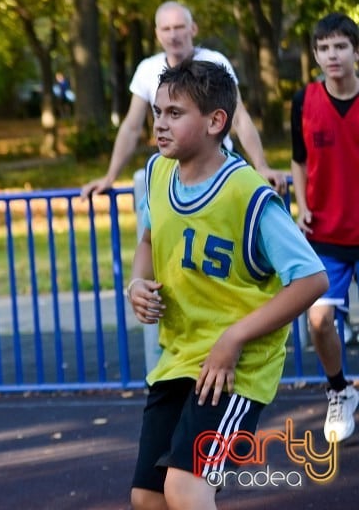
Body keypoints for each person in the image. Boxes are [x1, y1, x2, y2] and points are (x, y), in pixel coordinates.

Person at [126, 59, 327, 509]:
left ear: (217, 121)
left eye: (175, 113)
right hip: (180, 357)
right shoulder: (159, 173)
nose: (159, 124)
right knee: (147, 497)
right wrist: (138, 283)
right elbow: (149, 236)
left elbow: (312, 278)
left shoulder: (247, 193)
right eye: (157, 112)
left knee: (185, 486)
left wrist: (234, 337)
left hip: (235, 369)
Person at [81, 1, 286, 199]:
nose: (173, 35)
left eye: (179, 27)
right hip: (175, 168)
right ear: (157, 33)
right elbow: (131, 127)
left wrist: (261, 166)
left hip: (218, 165)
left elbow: (239, 118)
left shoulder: (215, 62)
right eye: (166, 28)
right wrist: (110, 176)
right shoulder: (147, 70)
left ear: (193, 29)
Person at [290, 12, 359, 443]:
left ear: (356, 51)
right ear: (316, 55)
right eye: (323, 48)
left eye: (340, 46)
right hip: (326, 235)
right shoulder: (304, 100)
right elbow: (299, 160)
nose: (331, 55)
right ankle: (339, 392)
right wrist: (301, 205)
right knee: (318, 322)